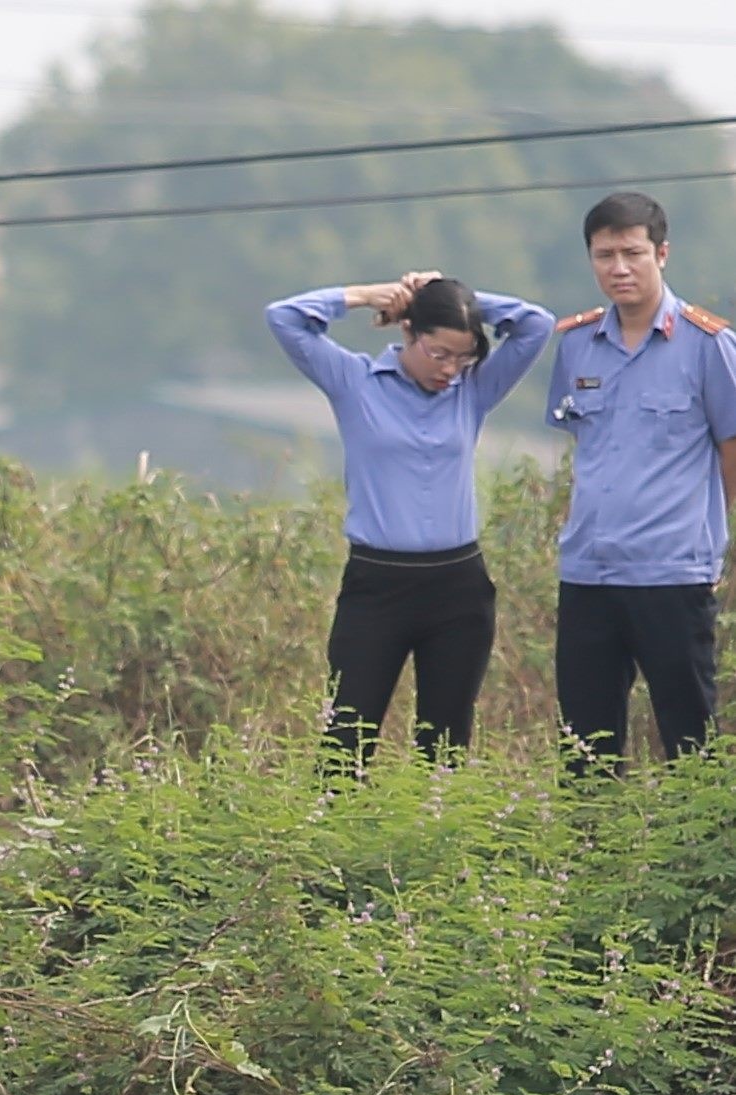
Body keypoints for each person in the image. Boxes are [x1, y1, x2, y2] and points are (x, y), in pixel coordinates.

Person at [266, 272, 553, 763]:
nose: (449, 369)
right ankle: (335, 833)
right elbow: (285, 318)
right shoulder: (354, 382)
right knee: (347, 737)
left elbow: (536, 325)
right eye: (438, 353)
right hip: (378, 585)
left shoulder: (473, 391)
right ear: (407, 332)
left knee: (444, 745)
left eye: (463, 358)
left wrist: (456, 299)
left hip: (458, 586)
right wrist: (364, 296)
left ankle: (436, 837)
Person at [545, 190, 736, 764]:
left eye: (633, 252)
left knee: (688, 738)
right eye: (605, 255)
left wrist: (715, 542)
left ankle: (696, 856)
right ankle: (587, 853)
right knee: (585, 745)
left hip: (671, 572)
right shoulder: (577, 344)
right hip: (589, 572)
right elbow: (589, 448)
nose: (619, 268)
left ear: (662, 253)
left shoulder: (709, 345)